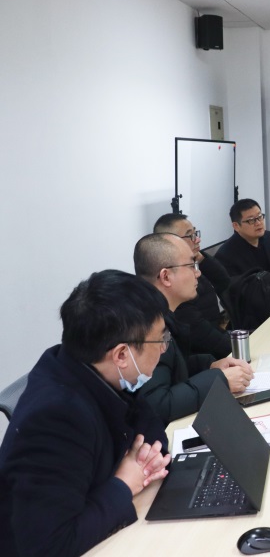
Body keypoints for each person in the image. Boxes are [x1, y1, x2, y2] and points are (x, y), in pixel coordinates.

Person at [0, 270, 172, 556]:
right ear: (121, 355)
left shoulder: (102, 372)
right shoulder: (55, 418)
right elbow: (50, 546)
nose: (164, 348)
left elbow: (153, 438)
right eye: (160, 340)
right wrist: (123, 483)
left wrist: (140, 463)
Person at [134, 233, 252, 424]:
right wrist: (219, 380)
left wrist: (209, 366)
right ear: (166, 276)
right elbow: (157, 404)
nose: (197, 273)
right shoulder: (147, 327)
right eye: (191, 265)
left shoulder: (160, 313)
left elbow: (170, 368)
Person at [153, 213, 231, 359]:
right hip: (204, 353)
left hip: (214, 341)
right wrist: (237, 346)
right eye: (190, 236)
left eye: (195, 233)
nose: (197, 239)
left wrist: (202, 259)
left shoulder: (192, 264)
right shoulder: (175, 282)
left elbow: (224, 281)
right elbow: (200, 333)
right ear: (170, 242)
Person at [214, 198, 270, 296]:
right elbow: (240, 293)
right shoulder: (225, 255)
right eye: (251, 220)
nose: (258, 223)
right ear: (236, 226)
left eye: (260, 217)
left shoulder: (269, 237)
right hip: (258, 303)